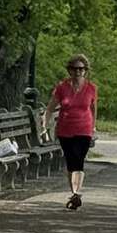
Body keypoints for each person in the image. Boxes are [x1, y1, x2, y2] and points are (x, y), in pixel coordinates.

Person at [43, 53, 98, 210]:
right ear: (69, 70)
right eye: (74, 69)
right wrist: (44, 126)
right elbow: (49, 109)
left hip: (84, 129)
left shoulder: (92, 88)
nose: (78, 72)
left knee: (79, 159)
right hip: (65, 129)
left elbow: (94, 109)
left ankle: (76, 192)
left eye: (81, 69)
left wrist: (94, 126)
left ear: (85, 70)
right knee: (71, 160)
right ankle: (74, 192)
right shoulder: (61, 88)